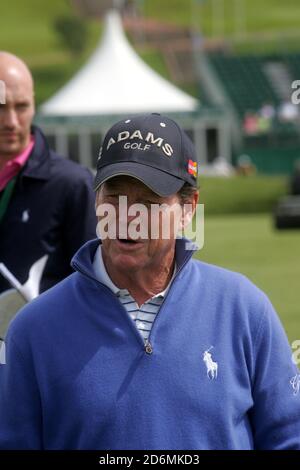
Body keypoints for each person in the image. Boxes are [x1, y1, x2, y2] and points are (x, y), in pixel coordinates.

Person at [0, 113, 299, 450]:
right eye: (114, 197)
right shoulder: (33, 330)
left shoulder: (244, 310)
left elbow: (288, 438)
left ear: (188, 209)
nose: (128, 217)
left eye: (149, 202)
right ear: (95, 199)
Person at [0, 52, 97, 296]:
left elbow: (96, 286)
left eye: (21, 106)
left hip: (38, 334)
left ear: (33, 104)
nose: (11, 121)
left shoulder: (72, 184)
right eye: (0, 107)